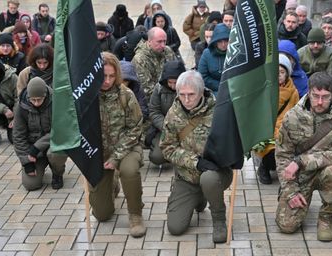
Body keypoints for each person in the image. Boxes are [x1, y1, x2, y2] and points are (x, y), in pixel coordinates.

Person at [275, 71, 332, 242]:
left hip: (325, 172)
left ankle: (326, 218)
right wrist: (290, 191)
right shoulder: (292, 117)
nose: (320, 102)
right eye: (315, 96)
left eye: (325, 97)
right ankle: (300, 198)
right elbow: (283, 156)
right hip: (300, 176)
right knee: (287, 226)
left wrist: (300, 161)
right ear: (308, 92)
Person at [160, 70, 233, 243]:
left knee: (208, 180)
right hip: (187, 176)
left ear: (201, 92)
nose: (186, 100)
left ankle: (219, 219)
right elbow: (167, 148)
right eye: (182, 94)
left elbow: (232, 140)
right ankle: (199, 198)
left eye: (191, 95)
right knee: (175, 228)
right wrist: (196, 162)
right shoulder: (174, 113)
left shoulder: (219, 111)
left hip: (216, 173)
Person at [88, 52, 146, 238]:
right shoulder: (87, 97)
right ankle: (112, 185)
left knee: (129, 170)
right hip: (100, 153)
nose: (107, 80)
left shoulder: (126, 95)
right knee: (102, 214)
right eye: (103, 76)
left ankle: (135, 214)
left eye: (112, 76)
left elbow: (136, 128)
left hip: (127, 148)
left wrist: (115, 158)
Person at [13, 77, 67, 191]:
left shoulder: (56, 101)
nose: (36, 103)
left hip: (52, 145)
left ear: (46, 95)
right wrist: (26, 162)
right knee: (31, 185)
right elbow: (18, 136)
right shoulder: (21, 107)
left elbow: (59, 129)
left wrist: (37, 147)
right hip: (33, 152)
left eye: (40, 99)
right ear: (28, 97)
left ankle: (57, 172)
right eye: (33, 100)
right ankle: (40, 167)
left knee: (56, 154)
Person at [255, 54, 299, 184]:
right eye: (276, 71)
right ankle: (264, 167)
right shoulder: (264, 89)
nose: (279, 74)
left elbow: (296, 113)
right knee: (273, 147)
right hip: (266, 129)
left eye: (282, 72)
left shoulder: (293, 92)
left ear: (287, 74)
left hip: (285, 128)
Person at [147, 60, 186, 165]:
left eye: (176, 82)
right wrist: (166, 126)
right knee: (156, 157)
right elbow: (154, 111)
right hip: (165, 128)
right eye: (170, 82)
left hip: (186, 128)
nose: (173, 86)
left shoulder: (189, 89)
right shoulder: (159, 89)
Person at [132, 27, 176, 101]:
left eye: (164, 41)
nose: (163, 45)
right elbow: (147, 90)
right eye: (159, 42)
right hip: (152, 101)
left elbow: (178, 72)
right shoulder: (140, 59)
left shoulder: (168, 51)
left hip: (171, 92)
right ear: (149, 41)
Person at [198, 23, 230, 97]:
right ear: (215, 41)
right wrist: (221, 86)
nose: (223, 44)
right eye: (220, 41)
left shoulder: (235, 53)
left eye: (226, 41)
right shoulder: (207, 53)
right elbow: (203, 76)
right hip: (214, 91)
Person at [0, 54, 17, 147]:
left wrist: (16, 117)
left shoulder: (12, 77)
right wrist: (4, 109)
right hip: (0, 111)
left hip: (15, 110)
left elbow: (20, 98)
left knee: (14, 140)